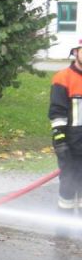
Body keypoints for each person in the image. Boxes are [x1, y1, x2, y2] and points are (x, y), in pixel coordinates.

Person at [49, 38, 82, 237]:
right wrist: (60, 141)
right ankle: (62, 235)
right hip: (70, 146)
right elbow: (57, 113)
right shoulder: (63, 78)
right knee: (68, 191)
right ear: (76, 52)